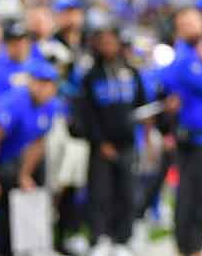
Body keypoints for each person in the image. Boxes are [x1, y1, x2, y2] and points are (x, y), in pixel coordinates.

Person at [73, 13, 150, 256]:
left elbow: (141, 106)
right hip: (101, 146)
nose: (107, 46)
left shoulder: (131, 72)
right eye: (102, 42)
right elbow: (85, 113)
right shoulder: (90, 77)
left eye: (111, 41)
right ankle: (99, 238)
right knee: (99, 195)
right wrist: (99, 141)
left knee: (126, 193)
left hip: (127, 144)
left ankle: (122, 239)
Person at [0, 61, 59, 256]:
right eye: (40, 82)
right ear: (30, 82)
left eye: (49, 83)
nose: (44, 88)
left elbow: (38, 142)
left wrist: (24, 174)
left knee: (14, 204)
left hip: (7, 157)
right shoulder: (16, 101)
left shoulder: (50, 106)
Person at [160, 8, 202, 256]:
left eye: (192, 21)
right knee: (188, 193)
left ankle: (194, 244)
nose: (188, 26)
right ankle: (188, 246)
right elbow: (168, 80)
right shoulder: (181, 54)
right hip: (190, 135)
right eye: (182, 23)